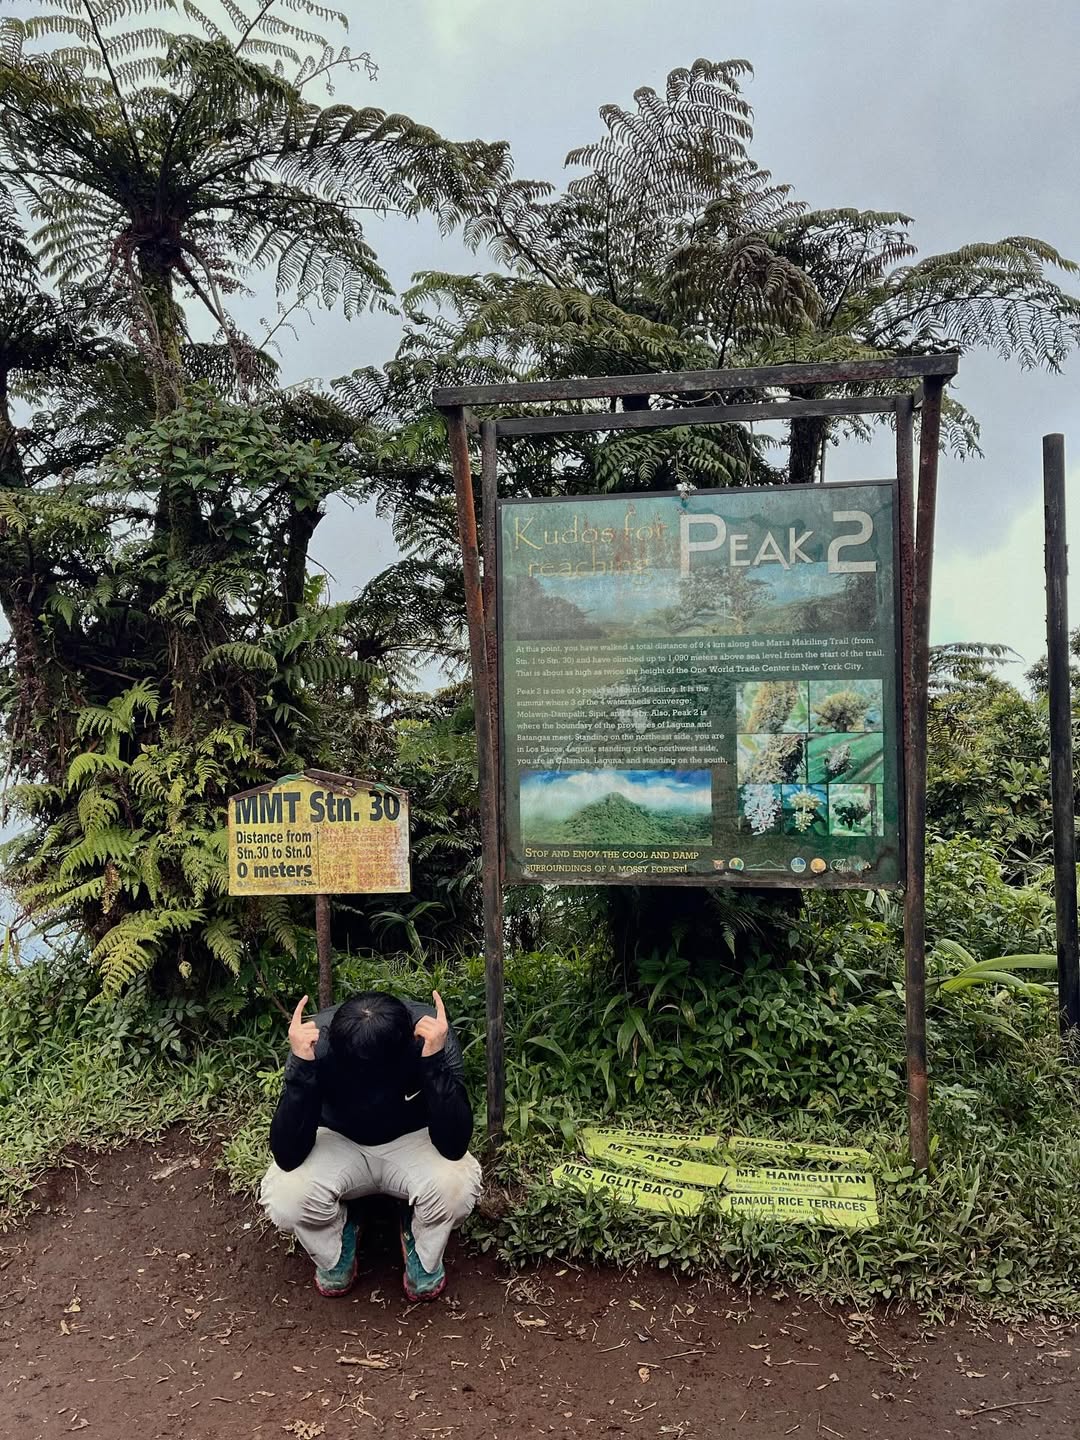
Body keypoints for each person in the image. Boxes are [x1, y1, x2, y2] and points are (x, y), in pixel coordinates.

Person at [260, 989, 482, 1302]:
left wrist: (433, 1062)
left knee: (455, 1190)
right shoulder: (315, 1044)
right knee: (286, 1199)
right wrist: (302, 1066)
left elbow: (454, 1145)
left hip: (413, 1138)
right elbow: (287, 1155)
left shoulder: (430, 1036)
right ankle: (337, 1243)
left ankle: (422, 1245)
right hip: (339, 1139)